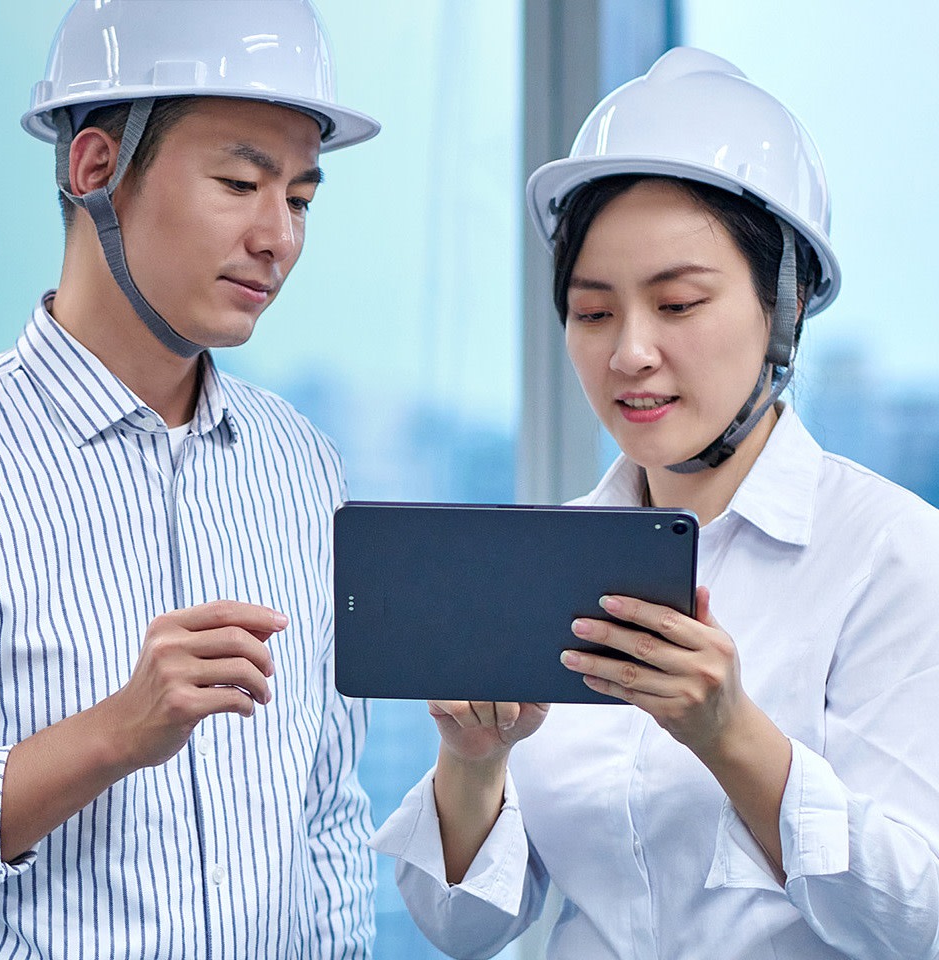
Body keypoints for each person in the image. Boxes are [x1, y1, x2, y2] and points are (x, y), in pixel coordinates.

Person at [0, 2, 381, 957]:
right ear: (97, 169)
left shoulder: (302, 468)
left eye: (302, 199)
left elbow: (326, 817)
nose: (279, 236)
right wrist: (113, 734)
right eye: (240, 183)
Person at [371, 47, 939, 959]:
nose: (629, 353)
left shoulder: (890, 553)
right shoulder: (549, 557)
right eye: (594, 313)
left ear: (786, 307)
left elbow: (916, 919)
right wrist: (473, 763)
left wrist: (731, 737)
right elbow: (461, 926)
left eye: (677, 305)